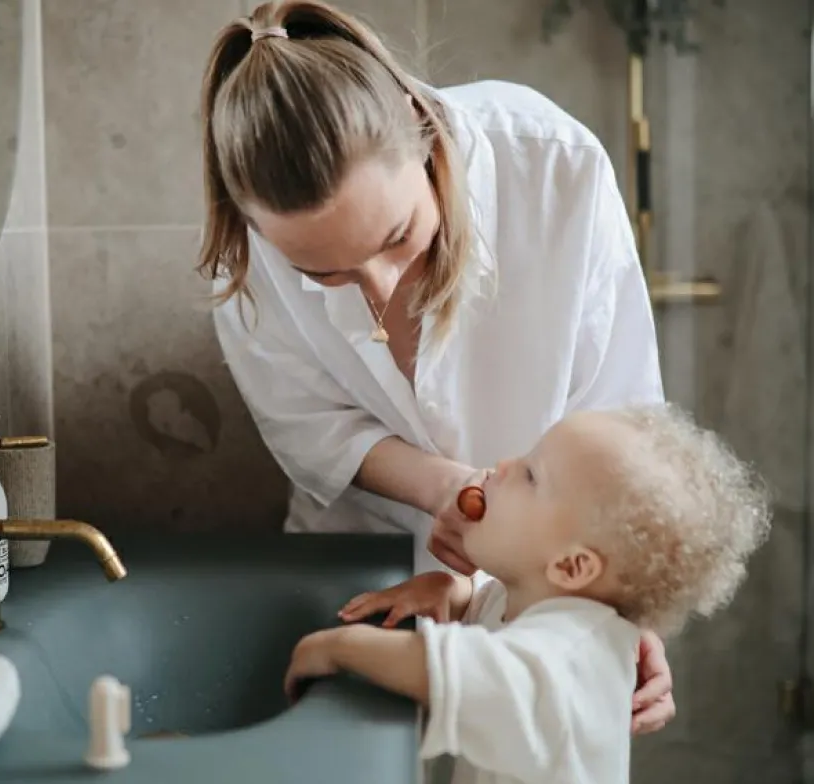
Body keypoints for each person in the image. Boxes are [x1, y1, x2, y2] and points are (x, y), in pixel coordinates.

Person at [198, 0, 674, 734]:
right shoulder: (245, 253)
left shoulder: (554, 169)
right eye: (323, 274)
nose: (382, 291)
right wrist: (445, 490)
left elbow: (624, 423)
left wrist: (620, 603)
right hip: (355, 565)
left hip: (550, 577)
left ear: (423, 131)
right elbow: (308, 426)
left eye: (398, 237)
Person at [285, 404, 772, 784]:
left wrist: (338, 647)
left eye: (533, 475)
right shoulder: (535, 604)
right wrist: (454, 588)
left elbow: (454, 672)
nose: (504, 465)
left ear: (571, 564)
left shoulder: (568, 659)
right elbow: (488, 611)